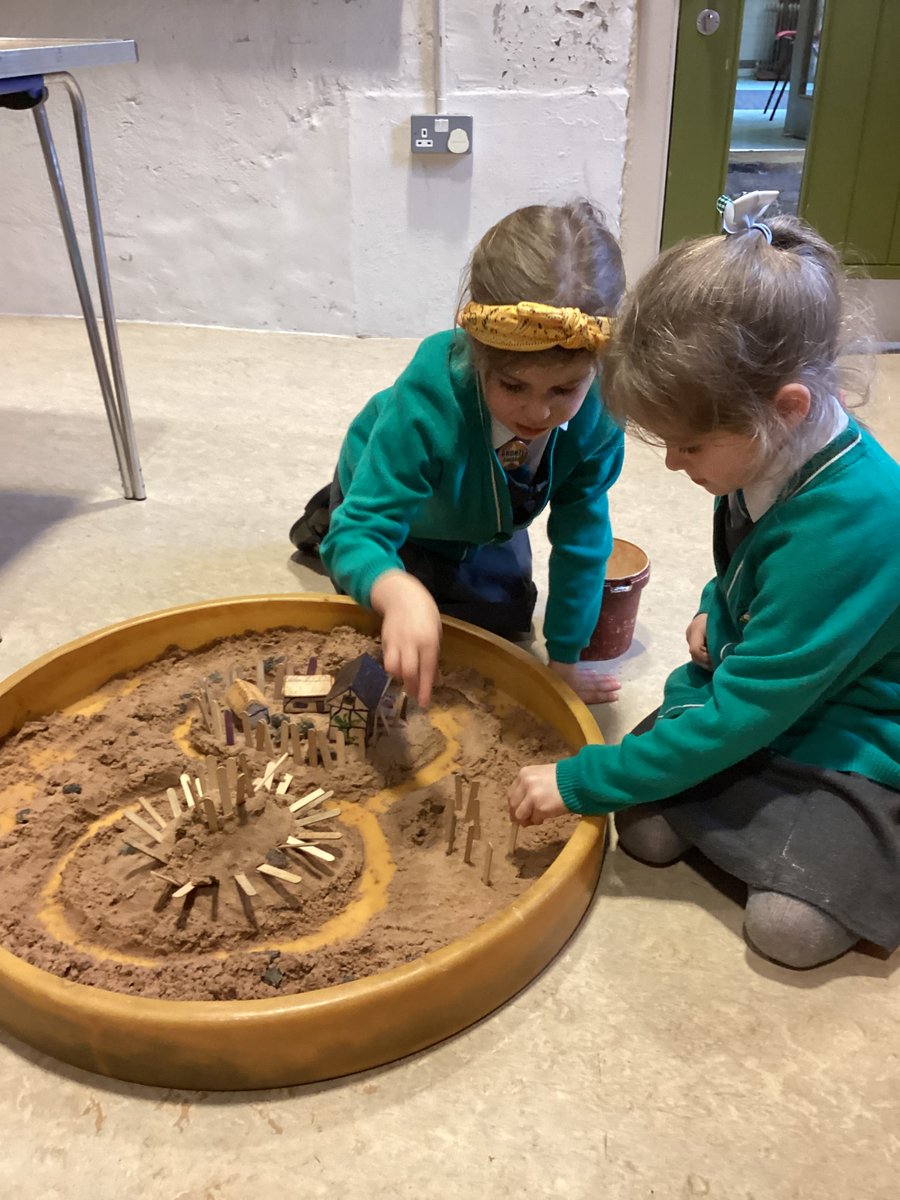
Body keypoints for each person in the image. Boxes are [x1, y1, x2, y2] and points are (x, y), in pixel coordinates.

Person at [507, 195, 900, 971]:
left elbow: (750, 708)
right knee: (647, 832)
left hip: (851, 730)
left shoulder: (856, 522)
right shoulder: (766, 452)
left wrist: (584, 778)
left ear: (784, 410)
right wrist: (713, 613)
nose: (670, 464)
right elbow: (749, 578)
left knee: (786, 930)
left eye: (688, 444)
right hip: (772, 692)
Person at [290, 201, 627, 709]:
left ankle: (448, 545)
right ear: (475, 352)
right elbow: (362, 534)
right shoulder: (428, 401)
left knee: (504, 622)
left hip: (488, 509)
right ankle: (330, 510)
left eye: (564, 389)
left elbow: (583, 541)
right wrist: (395, 589)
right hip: (405, 484)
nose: (538, 411)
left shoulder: (598, 415)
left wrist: (564, 661)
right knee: (384, 624)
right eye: (512, 384)